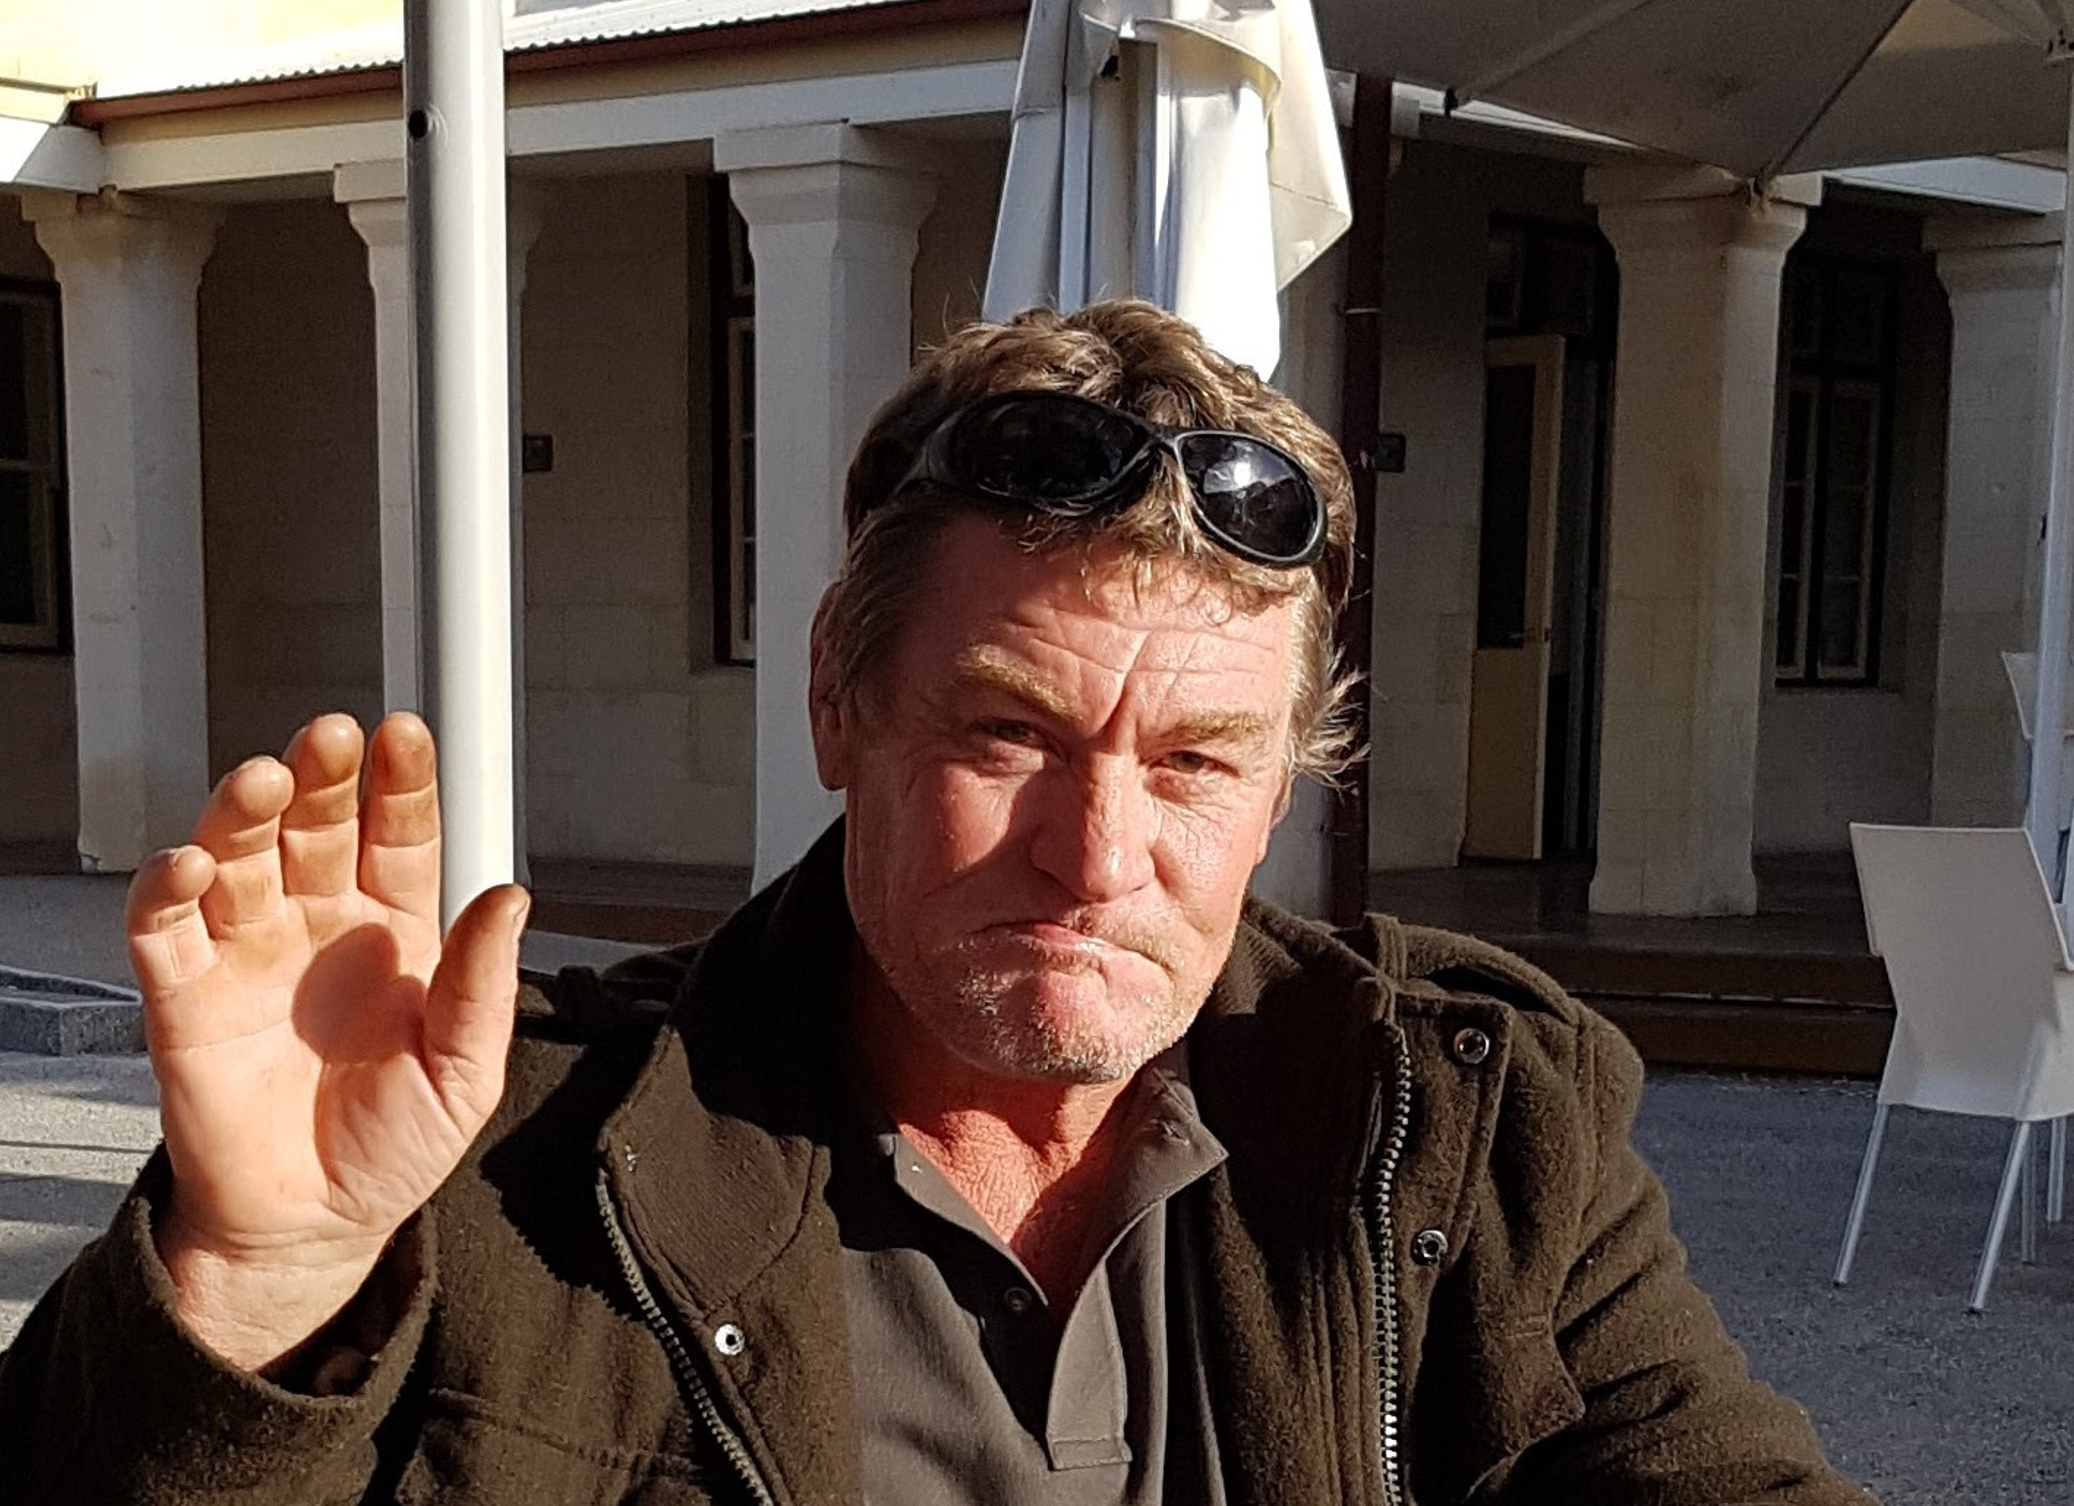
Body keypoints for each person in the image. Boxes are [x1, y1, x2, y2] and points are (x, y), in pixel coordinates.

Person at [0, 300, 1874, 1505]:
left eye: (1196, 761)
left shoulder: (1462, 1124)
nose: (1096, 850)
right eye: (1006, 732)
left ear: (1284, 783)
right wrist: (255, 1287)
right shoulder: (505, 1176)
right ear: (838, 699)